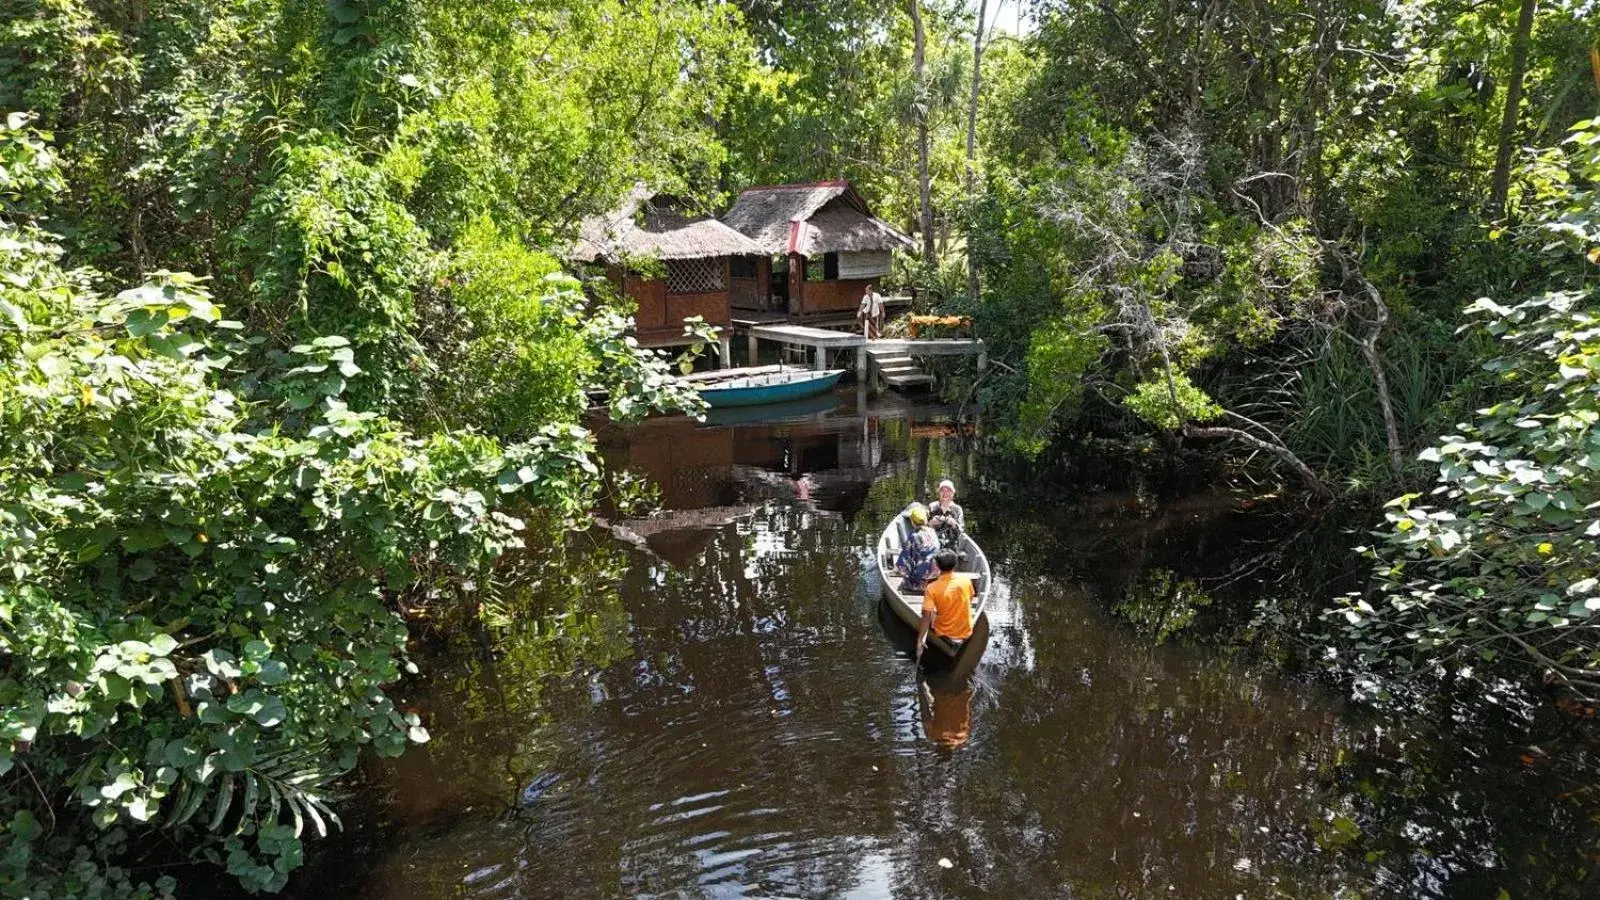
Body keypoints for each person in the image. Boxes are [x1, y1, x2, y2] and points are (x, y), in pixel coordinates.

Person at [916, 549, 974, 663]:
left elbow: (926, 616)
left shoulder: (932, 587)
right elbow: (970, 597)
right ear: (955, 564)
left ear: (937, 566)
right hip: (966, 630)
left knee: (927, 611)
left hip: (944, 631)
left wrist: (920, 639)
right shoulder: (966, 580)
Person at [895, 503, 940, 593]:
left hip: (923, 575)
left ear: (912, 522)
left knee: (908, 559)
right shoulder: (932, 531)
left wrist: (898, 569)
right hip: (936, 573)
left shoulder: (914, 536)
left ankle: (919, 585)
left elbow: (905, 557)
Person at [927, 479, 965, 547]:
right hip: (933, 543)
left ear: (953, 493)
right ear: (939, 493)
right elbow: (923, 528)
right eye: (942, 490)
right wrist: (931, 523)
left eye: (948, 490)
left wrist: (954, 524)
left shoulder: (957, 509)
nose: (945, 493)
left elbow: (961, 531)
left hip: (952, 545)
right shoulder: (932, 506)